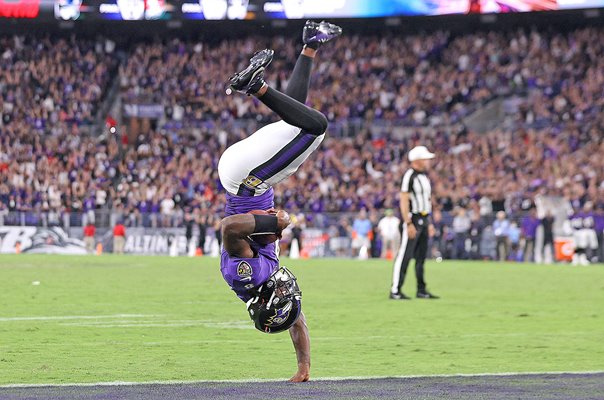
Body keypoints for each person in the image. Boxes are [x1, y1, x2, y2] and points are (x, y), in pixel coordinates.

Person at [218, 21, 341, 383]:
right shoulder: (266, 290)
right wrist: (304, 366)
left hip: (247, 181)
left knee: (315, 127)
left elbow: (228, 228)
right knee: (295, 116)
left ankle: (254, 85)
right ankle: (310, 45)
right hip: (246, 176)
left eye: (282, 295)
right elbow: (295, 319)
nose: (287, 289)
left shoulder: (246, 276)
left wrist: (278, 223)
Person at [390, 146, 439, 300]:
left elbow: (427, 201)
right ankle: (395, 290)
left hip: (423, 219)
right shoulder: (409, 176)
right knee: (405, 255)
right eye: (425, 158)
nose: (428, 161)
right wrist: (408, 222)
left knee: (421, 257)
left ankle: (421, 289)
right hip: (413, 218)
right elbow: (404, 200)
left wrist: (429, 222)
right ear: (417, 160)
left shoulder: (424, 177)